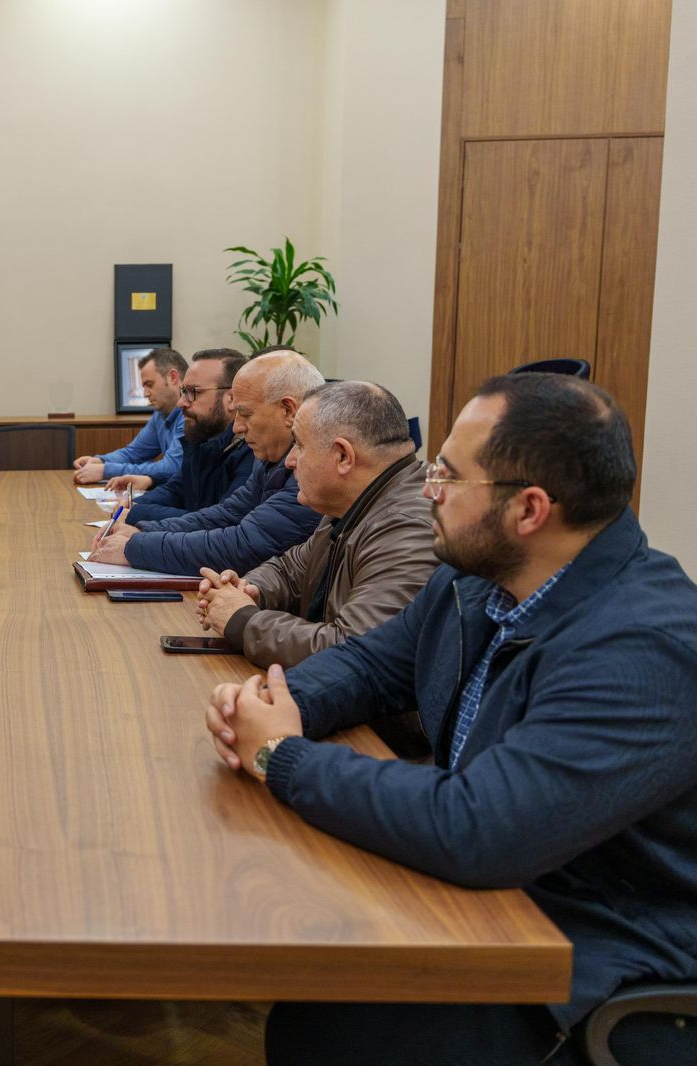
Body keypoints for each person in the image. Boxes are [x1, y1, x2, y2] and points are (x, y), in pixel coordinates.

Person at [204, 375, 697, 1065]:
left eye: (446, 475)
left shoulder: (643, 648)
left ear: (529, 510)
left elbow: (480, 826)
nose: (427, 491)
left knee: (330, 1031)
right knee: (314, 988)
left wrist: (280, 755)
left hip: (597, 954)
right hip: (501, 894)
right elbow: (372, 665)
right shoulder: (474, 576)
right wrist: (274, 700)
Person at [194, 380, 434, 668]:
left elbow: (353, 653)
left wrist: (243, 621)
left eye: (299, 445)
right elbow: (290, 570)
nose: (290, 461)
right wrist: (249, 590)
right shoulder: (353, 502)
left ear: (343, 456)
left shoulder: (407, 530)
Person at [90, 350, 323, 574]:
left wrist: (136, 546)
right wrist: (142, 531)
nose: (237, 426)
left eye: (245, 414)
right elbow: (223, 515)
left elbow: (241, 546)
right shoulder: (269, 460)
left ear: (288, 410)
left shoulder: (312, 472)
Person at [105, 349, 252, 522]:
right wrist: (132, 505)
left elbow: (219, 522)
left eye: (193, 392)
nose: (181, 402)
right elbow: (175, 489)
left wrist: (136, 512)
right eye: (183, 392)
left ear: (232, 399)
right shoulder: (201, 439)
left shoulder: (251, 449)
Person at [73, 347, 186, 484]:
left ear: (173, 377)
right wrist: (100, 461)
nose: (145, 394)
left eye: (150, 385)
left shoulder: (191, 414)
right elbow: (134, 453)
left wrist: (106, 471)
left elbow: (171, 468)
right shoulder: (160, 414)